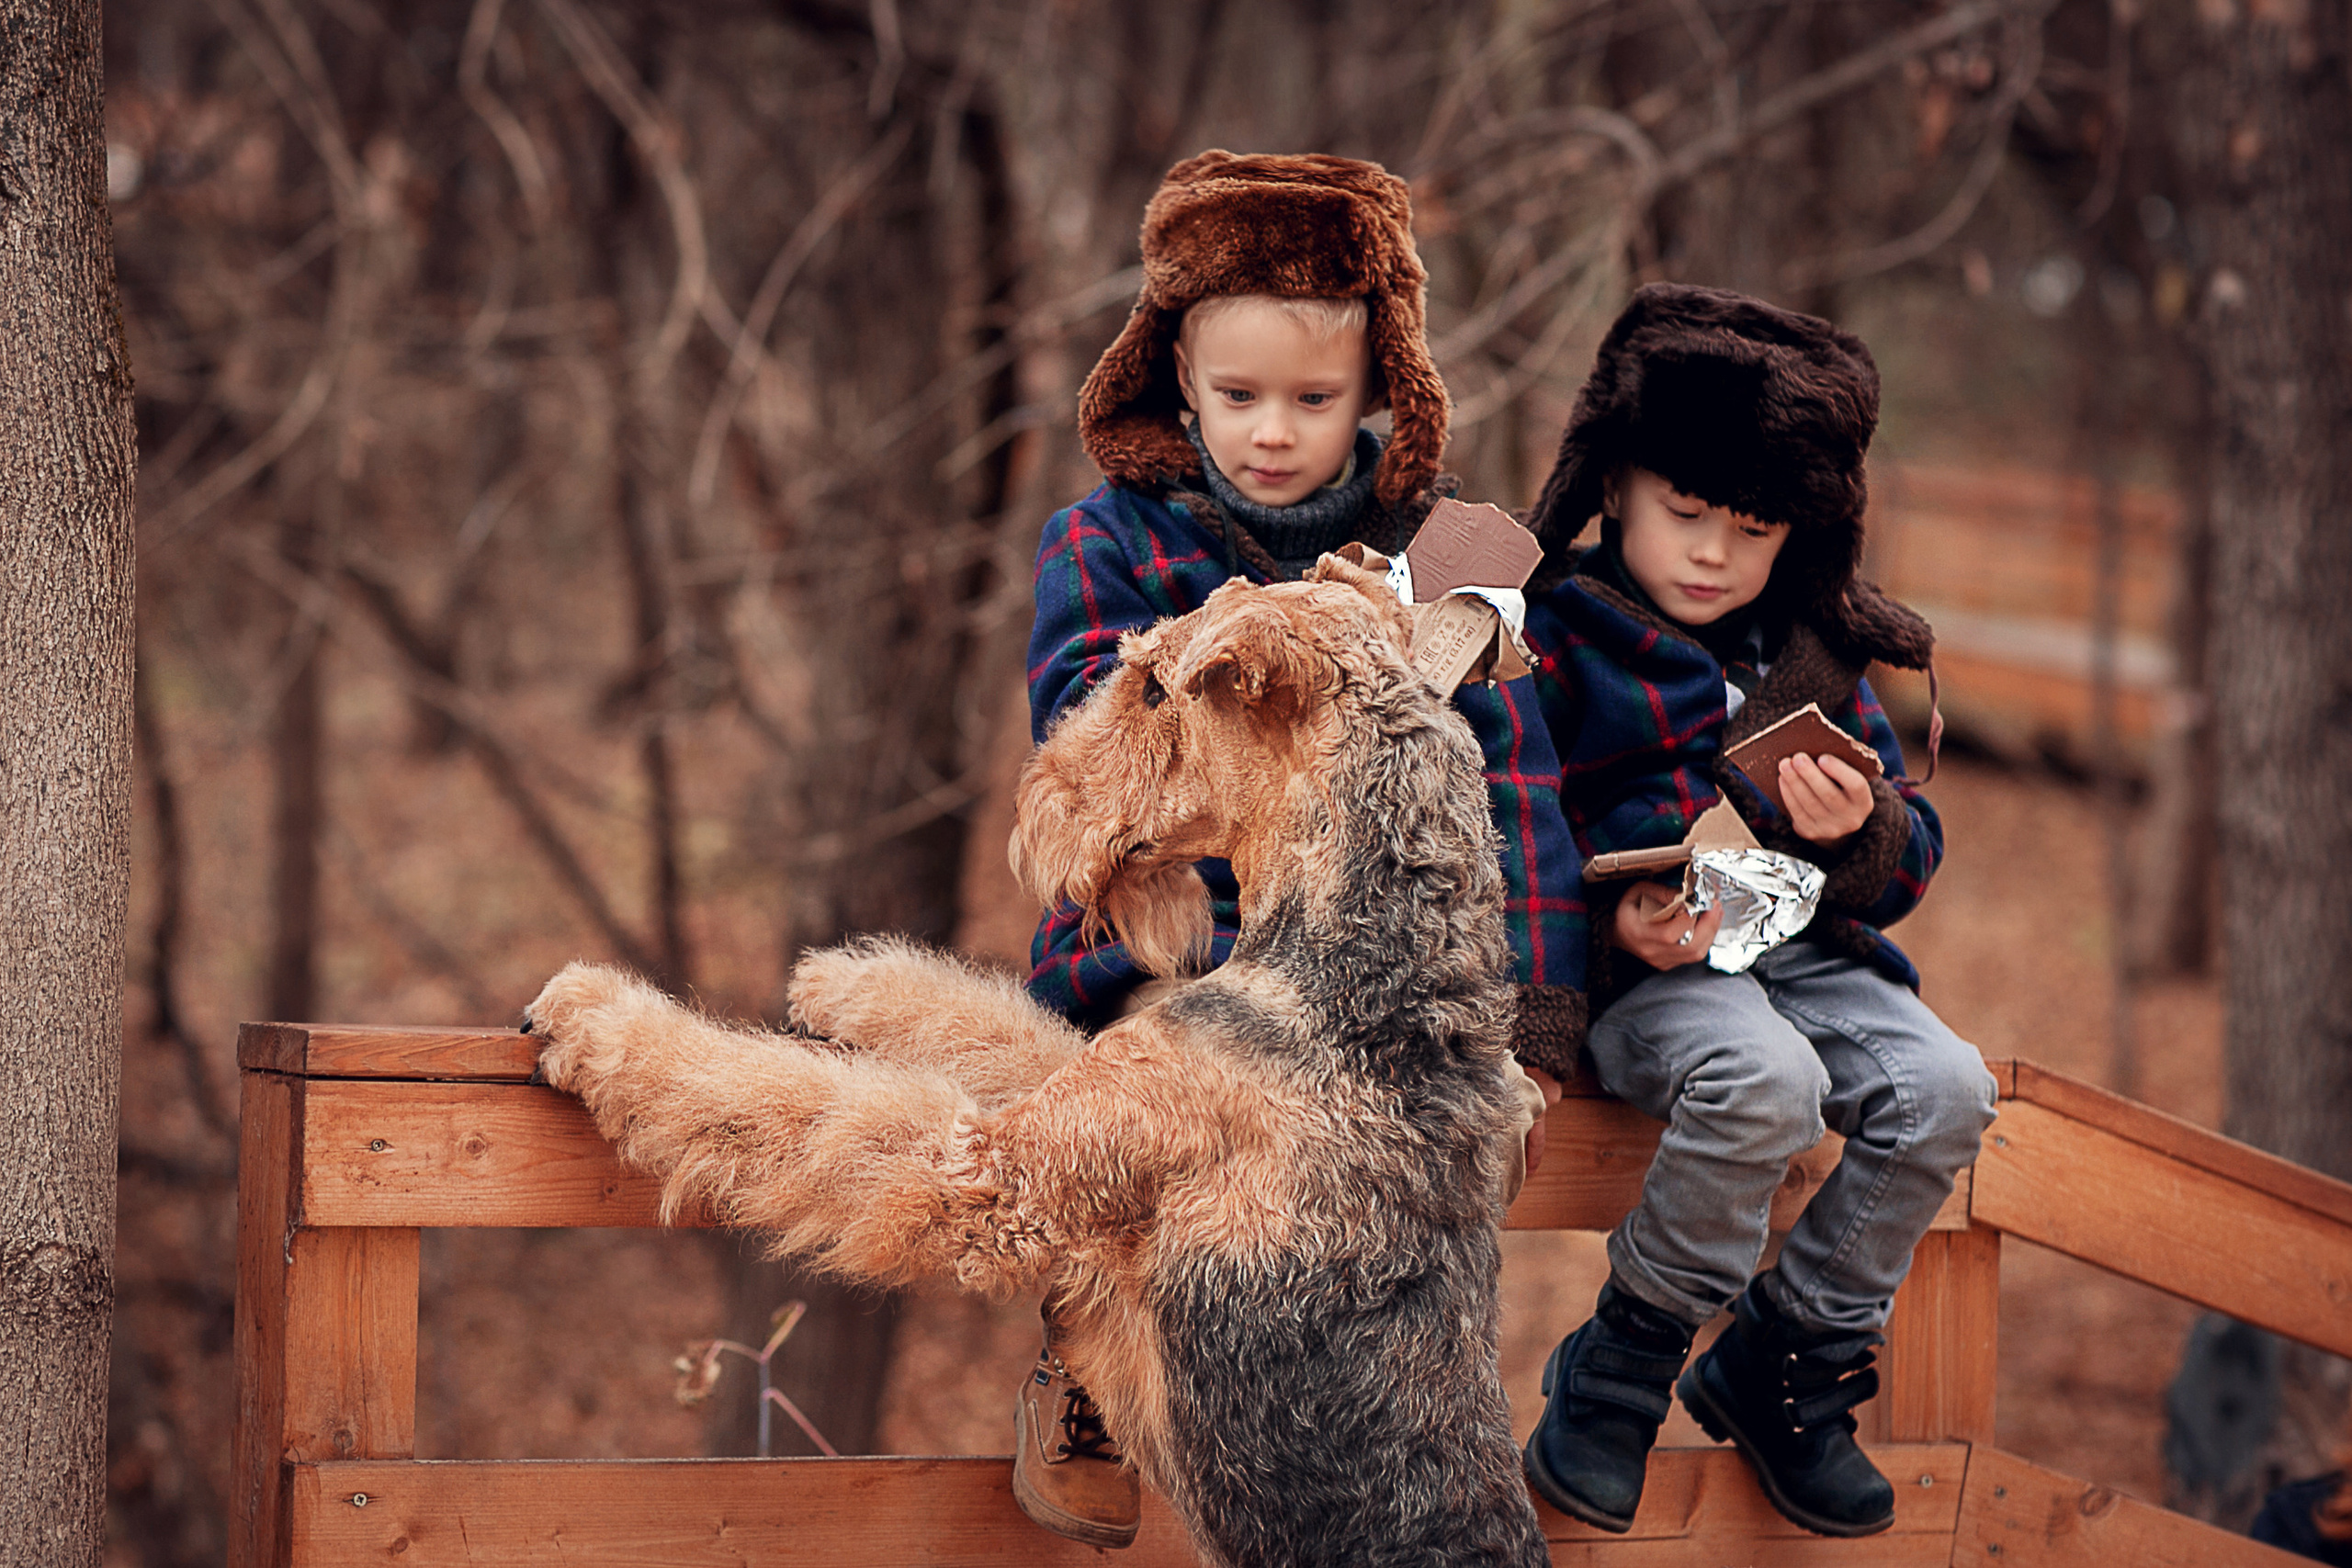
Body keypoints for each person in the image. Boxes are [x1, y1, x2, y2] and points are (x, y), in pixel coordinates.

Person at [1012, 149, 1586, 1550]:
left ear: (1381, 391)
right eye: (1239, 396)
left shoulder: (1437, 561)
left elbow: (1513, 792)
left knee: (1415, 1180)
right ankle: (1091, 1362)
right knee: (1145, 1126)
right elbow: (1112, 741)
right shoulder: (1108, 537)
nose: (1274, 432)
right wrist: (1268, 646)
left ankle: (1396, 1427)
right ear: (1177, 382)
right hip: (1177, 942)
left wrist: (1535, 1020)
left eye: (1315, 400)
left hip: (1383, 977)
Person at [1512, 284, 1999, 1539]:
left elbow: (1914, 857)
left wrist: (1864, 831)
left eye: (1755, 527)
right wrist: (1615, 936)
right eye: (1687, 514)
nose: (1716, 554)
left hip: (1808, 953)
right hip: (1657, 983)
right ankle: (1625, 1360)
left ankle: (1785, 1358)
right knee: (1766, 1082)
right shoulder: (1549, 640)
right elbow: (1508, 842)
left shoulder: (1815, 653)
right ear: (1615, 483)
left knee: (1946, 1088)